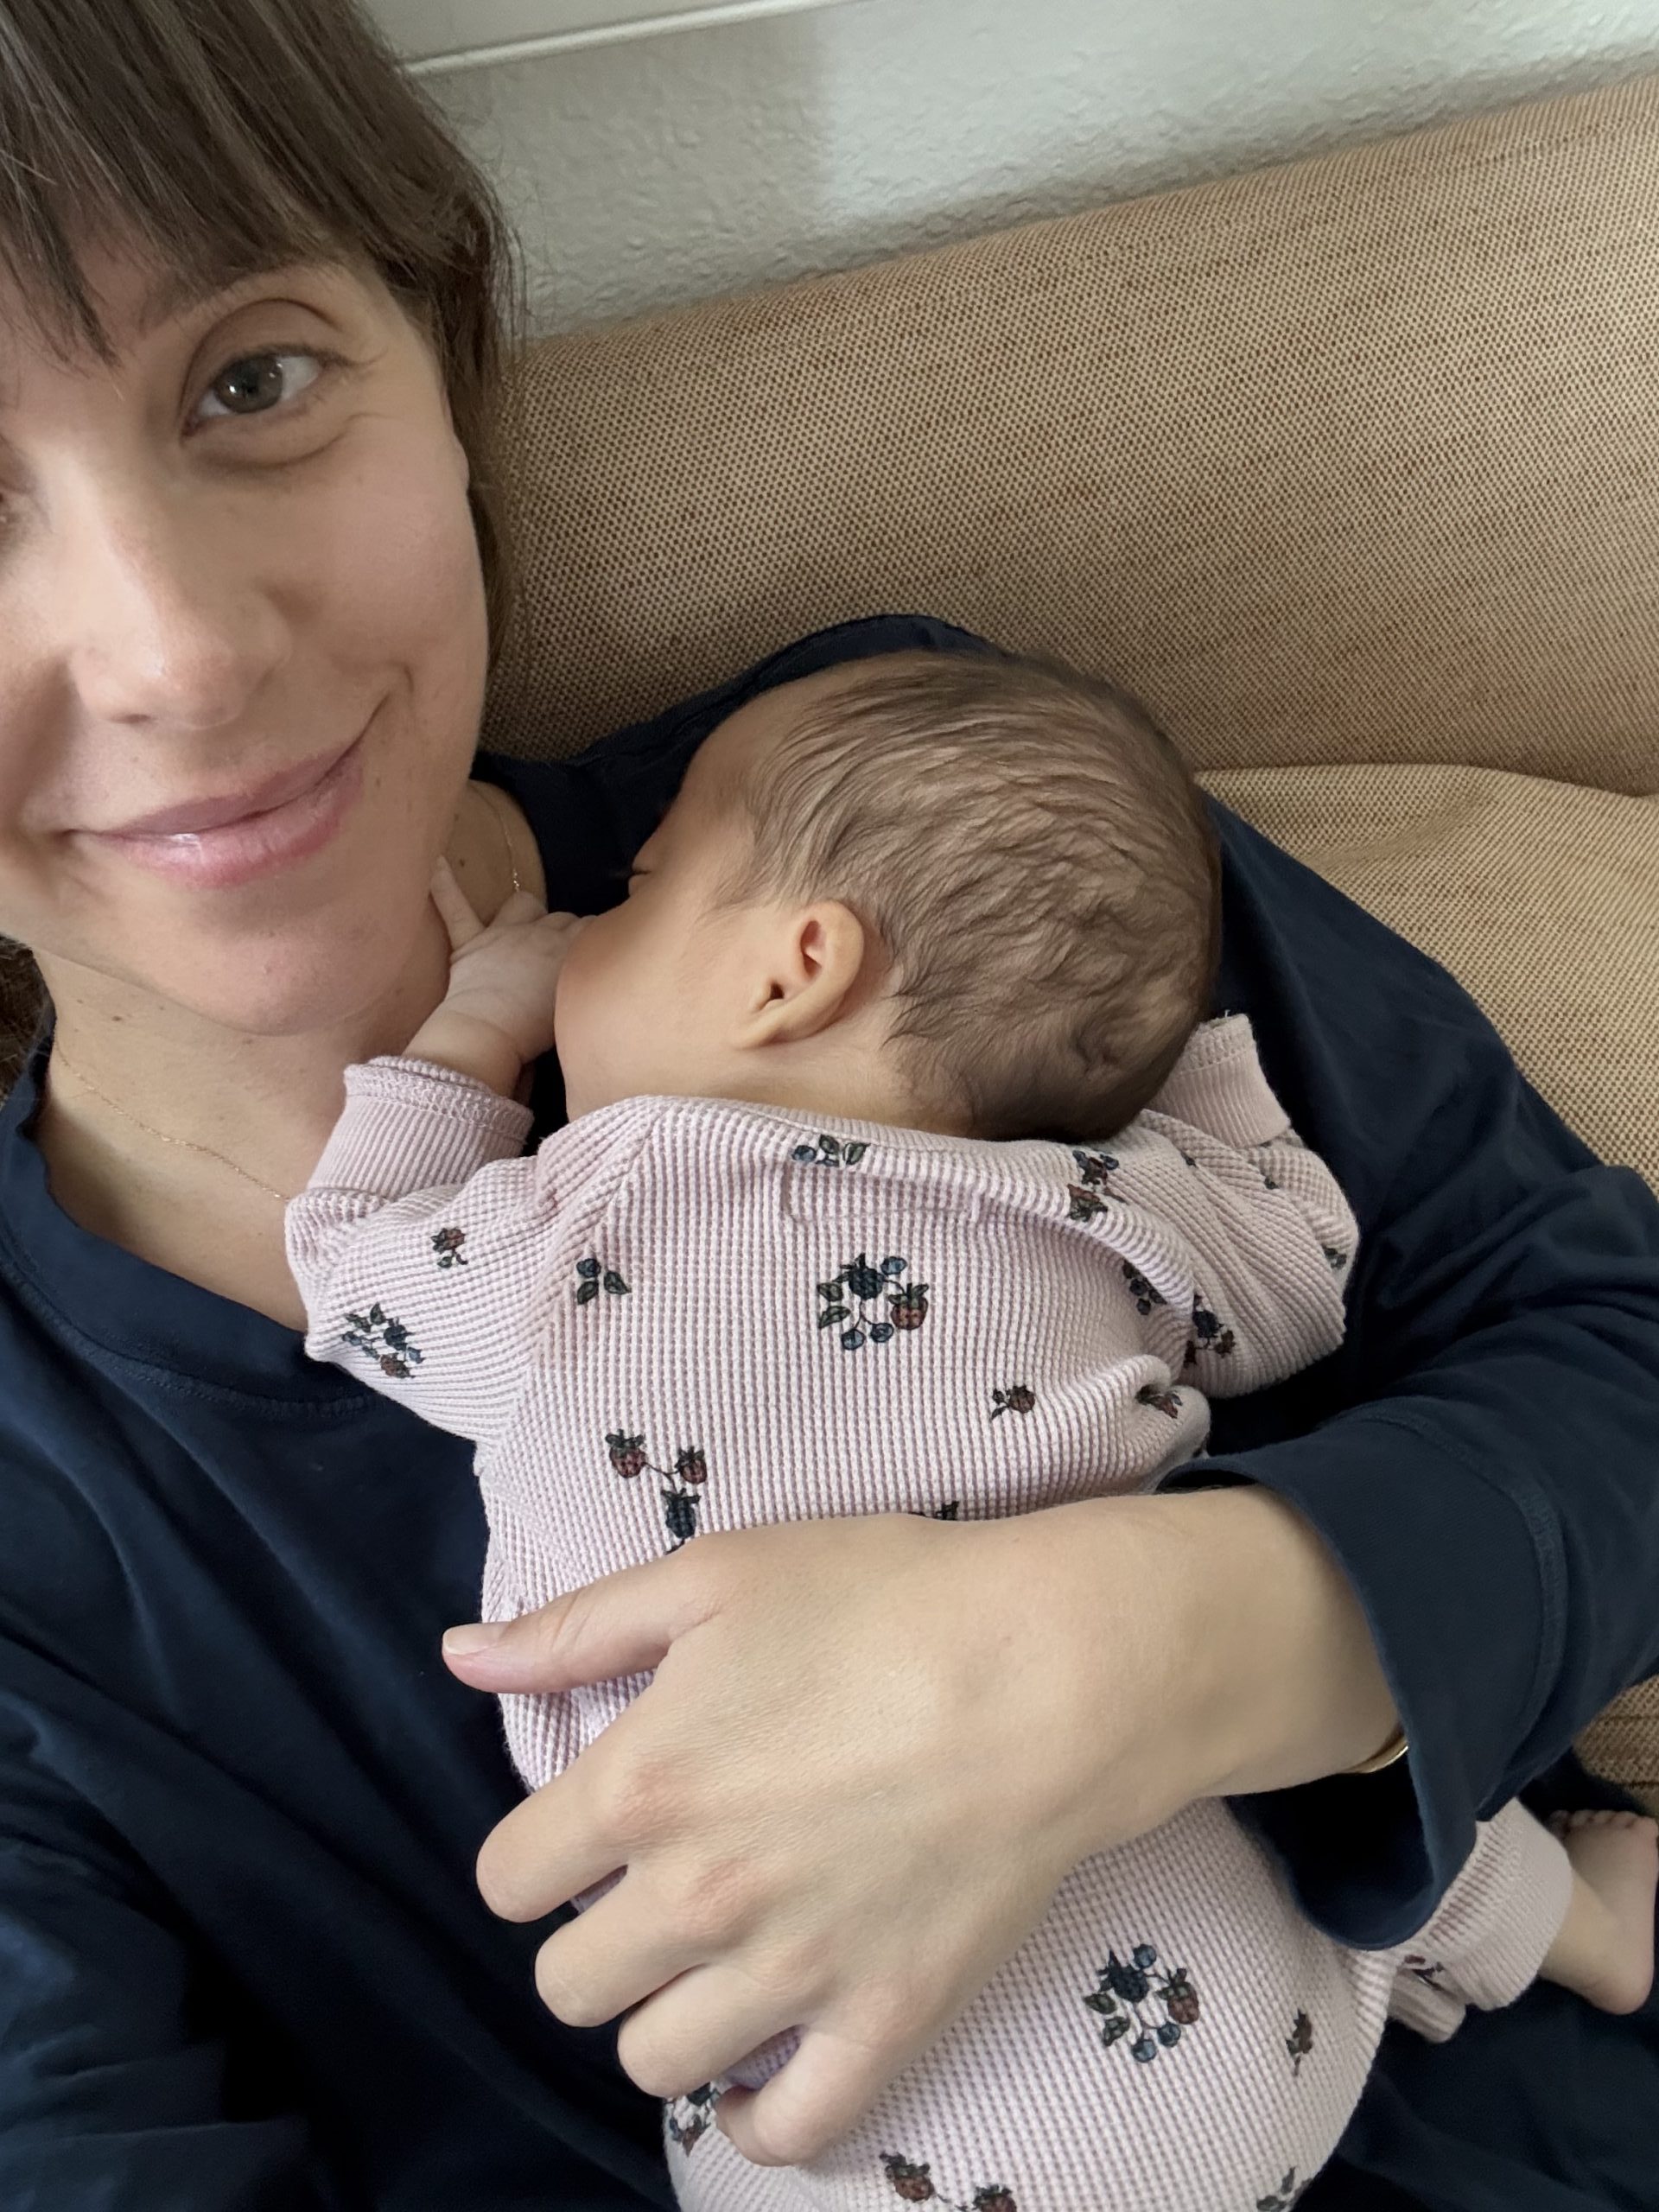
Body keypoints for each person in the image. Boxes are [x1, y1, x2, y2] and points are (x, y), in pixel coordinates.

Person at [0, 4, 1653, 2209]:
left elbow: (1613, 1351)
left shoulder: (914, 818)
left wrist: (1152, 1645)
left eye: (254, 377)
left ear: (444, 356)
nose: (183, 653)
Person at [283, 646, 1657, 2211]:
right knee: (1354, 1810)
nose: (599, 919)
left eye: (640, 888)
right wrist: (1186, 1062)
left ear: (795, 966)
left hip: (890, 2111)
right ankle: (1567, 1924)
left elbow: (358, 1270)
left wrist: (469, 1036)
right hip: (1249, 1962)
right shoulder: (1096, 1200)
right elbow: (1303, 1274)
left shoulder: (599, 1213)